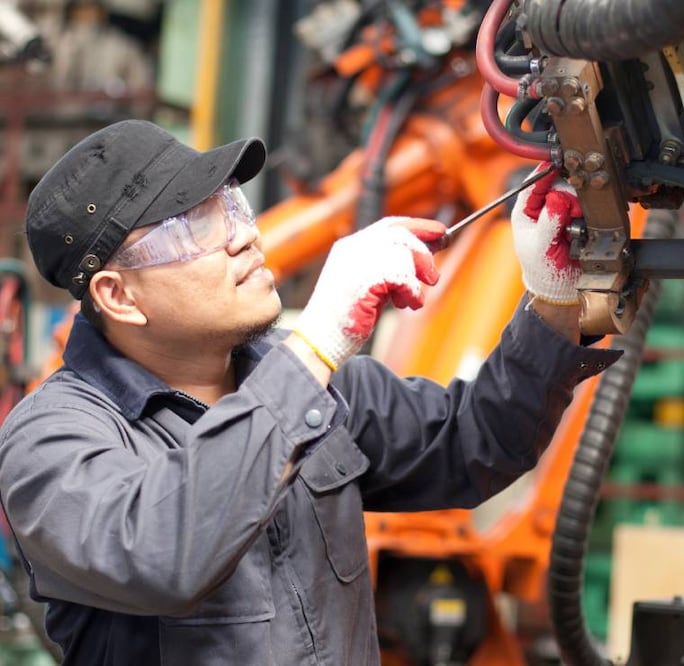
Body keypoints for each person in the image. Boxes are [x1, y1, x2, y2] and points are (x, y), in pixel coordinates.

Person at [0, 119, 620, 665]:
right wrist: (316, 344)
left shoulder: (320, 385)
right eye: (193, 228)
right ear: (117, 296)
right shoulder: (50, 442)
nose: (243, 237)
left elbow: (476, 442)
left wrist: (554, 297)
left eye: (232, 207)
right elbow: (163, 555)